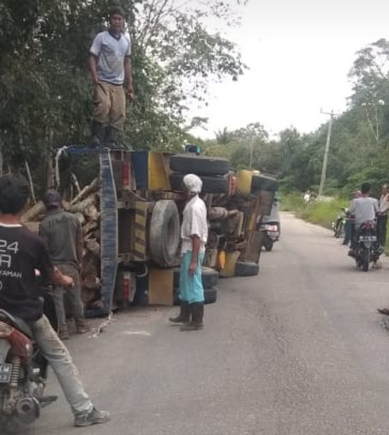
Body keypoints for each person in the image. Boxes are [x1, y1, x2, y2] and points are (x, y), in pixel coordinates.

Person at [0, 175, 110, 427]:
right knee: (60, 355)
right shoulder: (31, 241)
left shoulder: (43, 230)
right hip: (23, 314)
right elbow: (52, 275)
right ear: (25, 204)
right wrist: (67, 281)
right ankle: (83, 411)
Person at [39, 191, 89, 340]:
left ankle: (63, 331)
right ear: (60, 202)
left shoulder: (44, 224)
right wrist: (79, 262)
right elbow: (79, 242)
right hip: (71, 264)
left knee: (57, 299)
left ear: (45, 205)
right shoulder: (73, 219)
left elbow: (44, 249)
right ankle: (81, 325)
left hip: (55, 267)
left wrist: (46, 269)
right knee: (75, 296)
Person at [89, 6, 134, 148]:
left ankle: (110, 140)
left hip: (118, 82)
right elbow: (92, 56)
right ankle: (95, 136)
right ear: (110, 20)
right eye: (114, 19)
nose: (116, 21)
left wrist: (130, 83)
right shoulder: (101, 37)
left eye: (119, 19)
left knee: (119, 112)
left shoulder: (126, 41)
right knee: (103, 106)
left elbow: (127, 61)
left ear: (123, 22)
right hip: (103, 79)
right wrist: (94, 74)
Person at [169, 174, 208, 331]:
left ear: (189, 189)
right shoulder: (194, 202)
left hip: (193, 249)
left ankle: (197, 320)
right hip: (188, 249)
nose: (181, 189)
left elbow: (196, 236)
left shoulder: (194, 208)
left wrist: (193, 261)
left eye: (183, 186)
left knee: (193, 284)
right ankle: (184, 315)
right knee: (185, 284)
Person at [348, 182, 378, 253]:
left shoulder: (356, 201)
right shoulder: (374, 200)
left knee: (355, 236)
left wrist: (351, 215)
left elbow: (351, 211)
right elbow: (378, 211)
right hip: (371, 223)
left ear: (361, 191)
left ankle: (354, 248)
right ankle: (376, 247)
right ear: (370, 191)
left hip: (359, 224)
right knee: (376, 235)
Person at [377, 184, 389, 248]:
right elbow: (379, 203)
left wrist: (383, 211)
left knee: (382, 229)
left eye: (384, 189)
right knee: (378, 228)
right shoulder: (382, 196)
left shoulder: (388, 196)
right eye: (382, 188)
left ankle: (382, 243)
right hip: (379, 214)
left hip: (384, 215)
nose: (383, 190)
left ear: (387, 189)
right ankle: (378, 242)